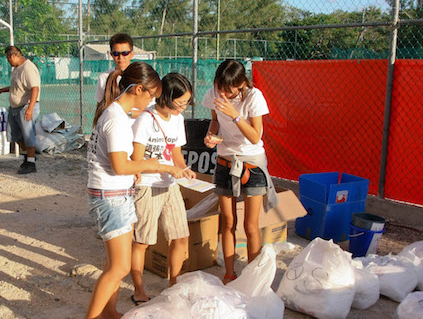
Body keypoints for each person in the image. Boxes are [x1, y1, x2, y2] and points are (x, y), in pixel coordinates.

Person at [85, 62, 178, 319]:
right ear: (138, 89)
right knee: (119, 267)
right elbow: (119, 165)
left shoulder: (116, 114)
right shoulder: (116, 119)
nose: (152, 102)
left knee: (115, 263)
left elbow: (119, 163)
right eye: (151, 96)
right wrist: (150, 164)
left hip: (117, 194)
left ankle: (109, 311)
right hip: (111, 197)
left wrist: (135, 168)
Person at [201, 59, 279, 284]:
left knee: (250, 224)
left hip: (251, 164)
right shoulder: (215, 92)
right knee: (227, 221)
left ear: (241, 83)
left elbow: (255, 136)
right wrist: (211, 135)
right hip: (225, 160)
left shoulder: (254, 97)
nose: (223, 94)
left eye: (229, 91)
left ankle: (253, 276)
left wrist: (235, 114)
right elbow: (215, 121)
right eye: (220, 88)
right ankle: (229, 273)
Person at [129, 73, 195, 305]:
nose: (184, 107)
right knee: (142, 241)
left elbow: (175, 151)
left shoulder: (177, 118)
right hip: (147, 186)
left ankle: (173, 284)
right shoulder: (145, 120)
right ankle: (138, 289)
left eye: (187, 102)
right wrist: (169, 168)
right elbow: (136, 162)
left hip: (169, 184)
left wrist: (184, 168)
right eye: (180, 103)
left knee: (181, 236)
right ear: (166, 97)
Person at [0, 46, 41, 174]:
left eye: (8, 58)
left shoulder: (27, 68)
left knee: (28, 135)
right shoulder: (17, 69)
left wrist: (30, 108)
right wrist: (1, 90)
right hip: (15, 107)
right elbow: (15, 86)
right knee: (14, 135)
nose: (8, 61)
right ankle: (28, 157)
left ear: (13, 56)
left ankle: (31, 162)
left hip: (25, 107)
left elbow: (35, 88)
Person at [95, 33, 144, 117]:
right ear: (111, 55)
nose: (120, 57)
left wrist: (125, 114)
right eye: (116, 54)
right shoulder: (104, 77)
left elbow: (149, 110)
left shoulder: (142, 77)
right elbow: (99, 107)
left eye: (125, 53)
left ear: (132, 54)